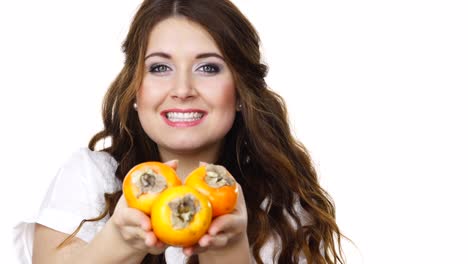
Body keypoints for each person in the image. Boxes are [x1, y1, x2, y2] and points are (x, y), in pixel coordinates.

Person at [14, 0, 345, 263]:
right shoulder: (92, 178)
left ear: (241, 92)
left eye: (208, 68)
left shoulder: (281, 208)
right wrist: (120, 240)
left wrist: (227, 251)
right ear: (134, 91)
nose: (182, 89)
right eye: (160, 67)